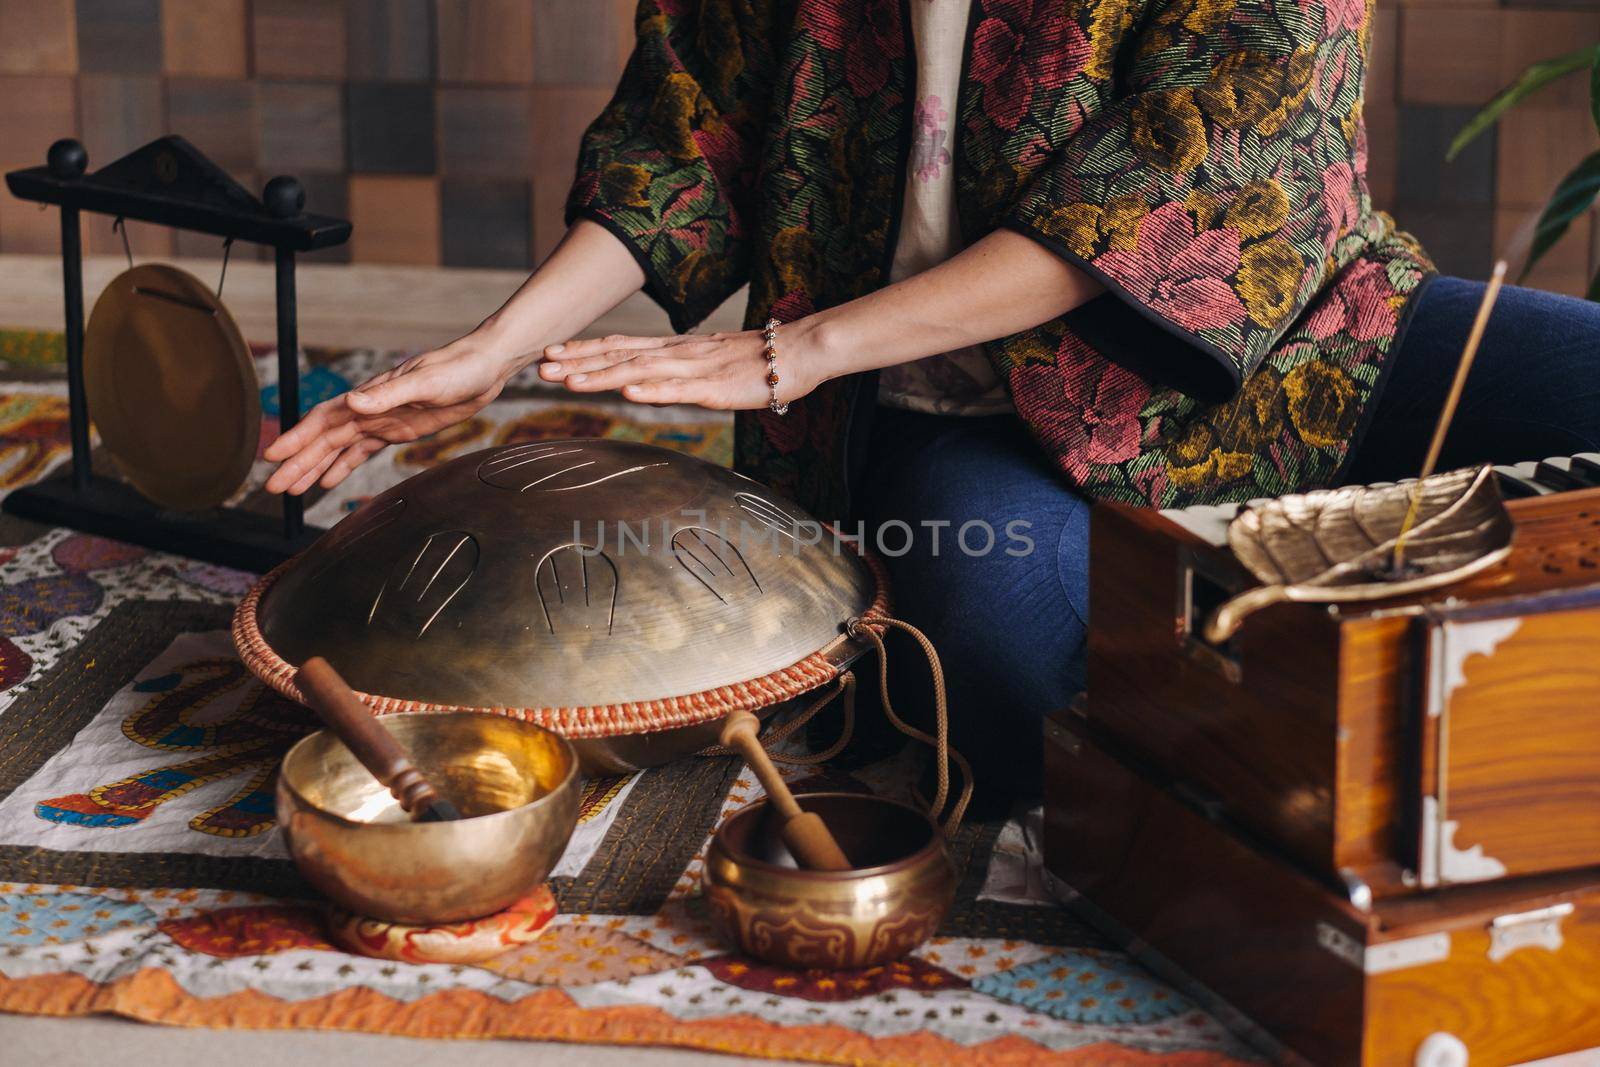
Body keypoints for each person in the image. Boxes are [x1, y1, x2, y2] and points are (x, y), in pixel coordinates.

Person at [266, 1, 1600, 800]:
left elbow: (1175, 193)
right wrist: (495, 347)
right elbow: (692, 136)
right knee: (1014, 676)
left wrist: (799, 349)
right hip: (964, 416)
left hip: (1302, 353)